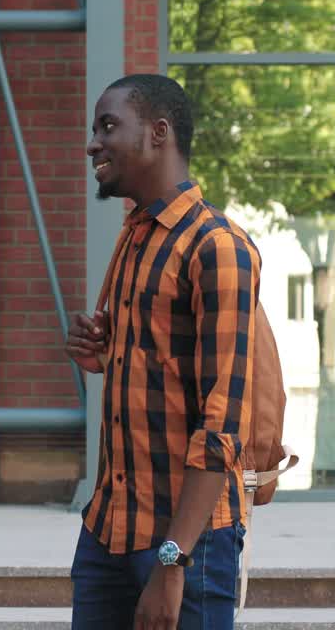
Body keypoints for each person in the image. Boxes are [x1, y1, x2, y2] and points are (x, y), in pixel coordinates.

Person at [65, 74, 261, 629]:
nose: (92, 143)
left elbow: (222, 425)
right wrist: (102, 356)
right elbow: (161, 373)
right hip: (107, 532)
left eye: (108, 126)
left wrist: (172, 563)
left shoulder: (217, 247)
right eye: (93, 129)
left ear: (158, 132)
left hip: (185, 547)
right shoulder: (136, 236)